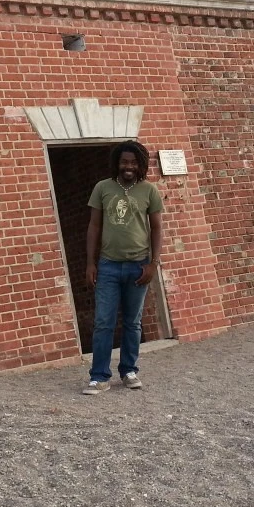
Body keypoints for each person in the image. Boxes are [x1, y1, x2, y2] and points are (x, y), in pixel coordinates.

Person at [82, 141, 164, 395]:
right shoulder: (102, 188)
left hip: (138, 266)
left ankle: (129, 371)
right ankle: (99, 377)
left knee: (133, 322)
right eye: (124, 162)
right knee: (103, 322)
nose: (129, 166)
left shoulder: (149, 190)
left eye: (134, 162)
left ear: (141, 164)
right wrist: (90, 263)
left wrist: (153, 264)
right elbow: (94, 226)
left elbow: (157, 228)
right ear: (117, 163)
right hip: (108, 266)